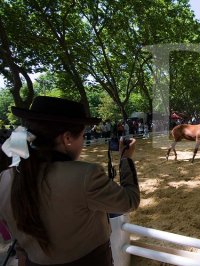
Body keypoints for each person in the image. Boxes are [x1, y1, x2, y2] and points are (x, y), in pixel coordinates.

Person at [0, 96, 140, 266]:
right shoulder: (85, 176)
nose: (82, 142)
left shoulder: (6, 178)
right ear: (67, 138)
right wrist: (126, 159)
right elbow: (129, 200)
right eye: (81, 136)